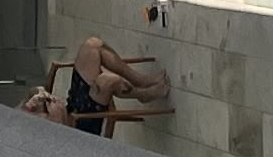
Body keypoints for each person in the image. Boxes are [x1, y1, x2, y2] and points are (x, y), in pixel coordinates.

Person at [23, 35, 173, 134]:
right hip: (79, 123)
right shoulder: (34, 137)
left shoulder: (21, 113)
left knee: (92, 45)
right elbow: (60, 129)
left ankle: (140, 80)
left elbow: (35, 90)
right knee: (108, 81)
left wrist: (39, 94)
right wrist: (49, 112)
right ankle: (143, 95)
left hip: (73, 104)